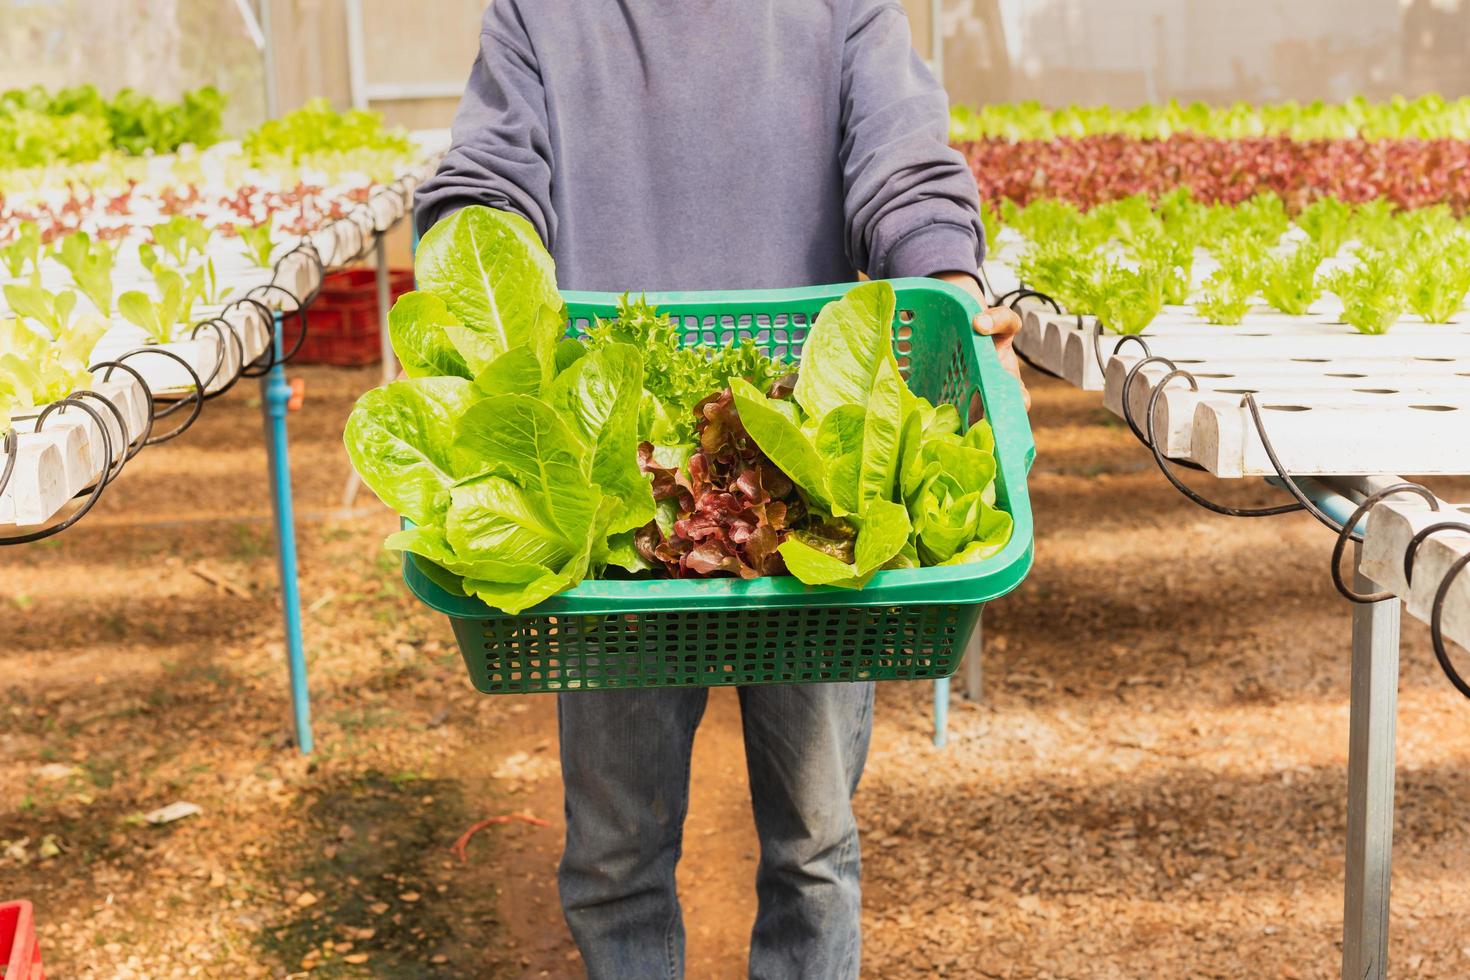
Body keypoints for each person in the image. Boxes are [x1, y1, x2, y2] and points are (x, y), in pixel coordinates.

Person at [414, 2, 1027, 976]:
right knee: (615, 856)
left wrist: (947, 274)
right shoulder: (543, 12)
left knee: (815, 844)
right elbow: (489, 177)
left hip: (810, 478)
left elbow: (902, 166)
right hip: (611, 484)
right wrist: (473, 274)